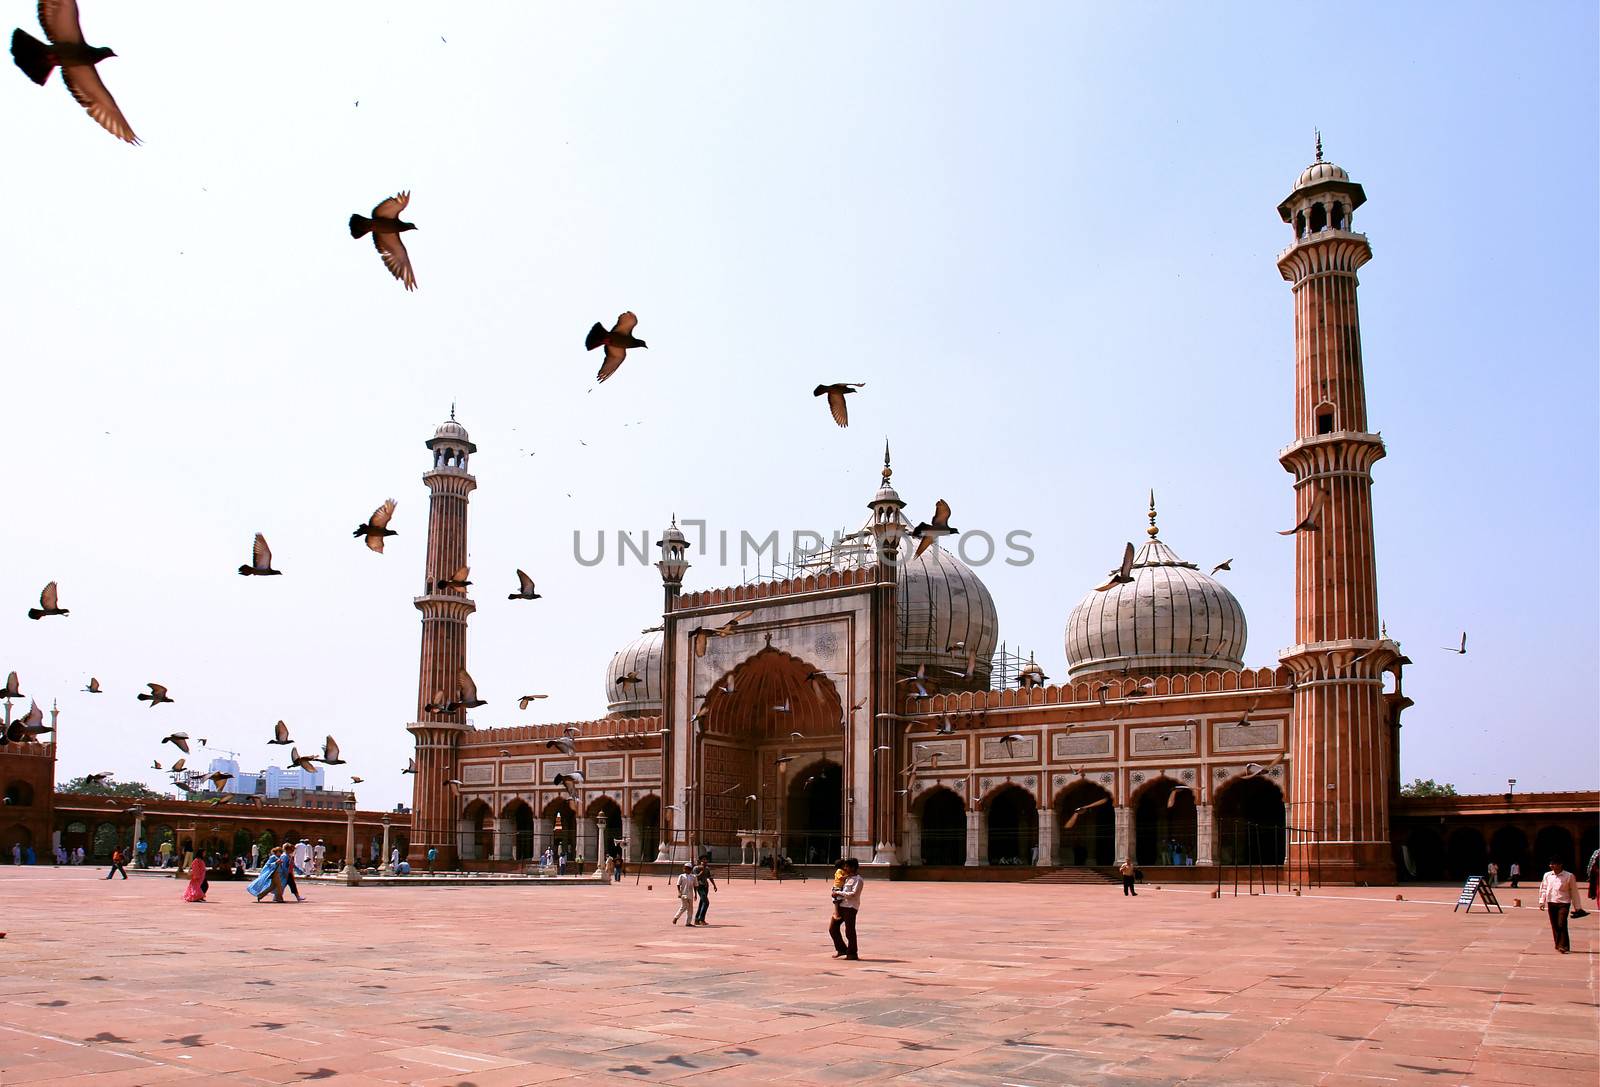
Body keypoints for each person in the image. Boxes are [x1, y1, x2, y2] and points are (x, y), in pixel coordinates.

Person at [1538, 857, 1581, 954]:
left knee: (1561, 923)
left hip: (1564, 902)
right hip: (1551, 902)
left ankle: (1564, 945)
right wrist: (1542, 901)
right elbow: (1544, 888)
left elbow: (1574, 892)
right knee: (1555, 925)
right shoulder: (1547, 875)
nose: (1551, 866)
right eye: (1551, 864)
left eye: (1554, 864)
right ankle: (1558, 944)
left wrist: (1577, 907)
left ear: (1560, 865)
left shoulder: (1569, 876)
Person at [829, 858, 862, 960]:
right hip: (842, 906)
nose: (845, 868)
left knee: (849, 930)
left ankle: (852, 953)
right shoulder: (846, 878)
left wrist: (838, 893)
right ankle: (841, 949)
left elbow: (853, 894)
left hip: (851, 907)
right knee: (833, 929)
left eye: (847, 866)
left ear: (852, 867)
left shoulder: (858, 880)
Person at [693, 854, 718, 926]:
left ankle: (697, 919)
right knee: (706, 902)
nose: (705, 861)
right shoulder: (696, 868)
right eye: (703, 860)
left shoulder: (707, 869)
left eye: (706, 860)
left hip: (705, 887)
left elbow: (710, 877)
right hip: (699, 887)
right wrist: (701, 871)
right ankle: (701, 919)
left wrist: (714, 885)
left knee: (702, 903)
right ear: (700, 861)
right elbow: (695, 878)